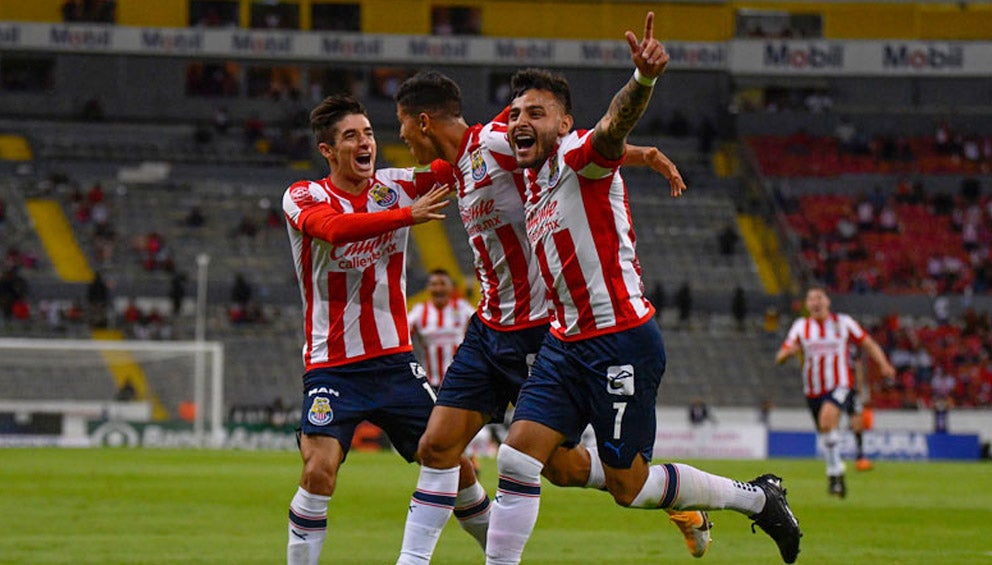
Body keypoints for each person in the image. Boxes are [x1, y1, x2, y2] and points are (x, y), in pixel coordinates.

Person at [485, 13, 801, 565]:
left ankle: (755, 498)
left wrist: (643, 82)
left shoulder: (577, 155)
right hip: (565, 345)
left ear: (564, 124)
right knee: (524, 459)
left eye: (536, 112)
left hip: (620, 342)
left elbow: (612, 128)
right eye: (514, 113)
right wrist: (649, 154)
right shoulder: (532, 181)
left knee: (629, 487)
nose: (520, 121)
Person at [393, 69, 705, 564]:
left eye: (401, 126)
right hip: (488, 327)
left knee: (557, 468)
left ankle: (667, 495)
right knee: (436, 448)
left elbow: (573, 149)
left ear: (421, 121)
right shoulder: (454, 168)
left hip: (539, 331)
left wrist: (638, 153)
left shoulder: (498, 144)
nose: (401, 137)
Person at [280, 94, 475, 565]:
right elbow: (333, 230)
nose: (365, 142)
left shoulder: (396, 184)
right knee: (319, 471)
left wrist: (453, 133)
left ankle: (502, 555)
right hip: (333, 366)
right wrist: (408, 214)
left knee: (459, 466)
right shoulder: (304, 195)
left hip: (394, 364)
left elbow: (462, 163)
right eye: (351, 136)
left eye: (368, 133)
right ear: (328, 151)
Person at [775, 285, 895, 499]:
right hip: (812, 389)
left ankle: (834, 472)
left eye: (819, 297)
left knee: (827, 421)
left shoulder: (843, 322)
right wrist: (788, 354)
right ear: (807, 305)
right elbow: (780, 356)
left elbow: (868, 343)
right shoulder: (801, 326)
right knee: (825, 431)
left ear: (828, 302)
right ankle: (836, 472)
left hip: (840, 384)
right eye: (811, 298)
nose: (816, 301)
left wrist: (884, 364)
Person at [407, 269, 475, 390]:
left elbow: (484, 327)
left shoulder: (462, 308)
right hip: (431, 383)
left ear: (450, 288)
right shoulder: (420, 311)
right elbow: (402, 335)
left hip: (460, 380)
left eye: (442, 284)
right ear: (428, 288)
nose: (438, 289)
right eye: (434, 284)